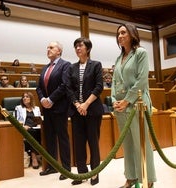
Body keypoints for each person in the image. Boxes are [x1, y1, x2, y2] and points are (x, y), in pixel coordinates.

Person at [111, 23, 156, 188]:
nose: (120, 36)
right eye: (118, 34)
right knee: (127, 145)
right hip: (121, 108)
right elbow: (114, 82)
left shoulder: (141, 53)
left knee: (141, 144)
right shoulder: (118, 58)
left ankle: (147, 178)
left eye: (123, 32)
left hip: (137, 106)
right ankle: (131, 177)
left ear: (132, 34)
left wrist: (126, 101)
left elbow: (142, 81)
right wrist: (114, 99)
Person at [66, 37, 103, 186]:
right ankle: (81, 174)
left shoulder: (96, 65)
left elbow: (99, 86)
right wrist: (77, 104)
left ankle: (94, 173)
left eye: (80, 46)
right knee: (79, 144)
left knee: (93, 143)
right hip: (76, 112)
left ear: (87, 49)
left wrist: (86, 104)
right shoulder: (71, 67)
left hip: (92, 110)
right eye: (75, 46)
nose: (77, 49)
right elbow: (69, 88)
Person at [36, 41, 71, 180]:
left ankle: (66, 169)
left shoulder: (65, 65)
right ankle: (52, 167)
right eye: (47, 48)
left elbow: (64, 85)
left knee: (62, 138)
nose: (48, 49)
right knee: (49, 138)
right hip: (47, 109)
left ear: (59, 51)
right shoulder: (45, 68)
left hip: (59, 108)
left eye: (51, 47)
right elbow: (38, 87)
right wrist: (42, 100)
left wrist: (50, 99)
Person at [15, 92, 41, 169]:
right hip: (24, 129)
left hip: (35, 128)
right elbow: (16, 121)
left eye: (27, 96)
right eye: (23, 97)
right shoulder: (18, 108)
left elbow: (38, 121)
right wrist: (23, 126)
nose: (24, 98)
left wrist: (37, 125)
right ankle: (34, 157)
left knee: (39, 132)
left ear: (31, 98)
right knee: (32, 132)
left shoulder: (36, 108)